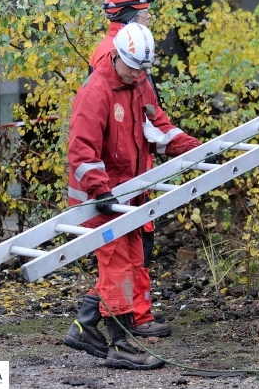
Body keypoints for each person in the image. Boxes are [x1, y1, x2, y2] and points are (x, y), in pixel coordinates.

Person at [64, 22, 202, 369]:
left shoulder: (137, 84)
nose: (138, 74)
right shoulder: (95, 93)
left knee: (129, 265)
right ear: (116, 55)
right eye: (133, 68)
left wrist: (194, 150)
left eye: (143, 70)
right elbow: (82, 151)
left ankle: (83, 327)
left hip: (129, 193)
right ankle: (121, 347)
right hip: (99, 199)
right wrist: (101, 191)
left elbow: (157, 128)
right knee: (117, 270)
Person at [89, 0, 169, 339]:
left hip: (135, 164)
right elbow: (106, 123)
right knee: (122, 257)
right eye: (144, 8)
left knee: (133, 251)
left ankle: (130, 316)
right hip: (118, 174)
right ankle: (119, 324)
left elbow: (149, 109)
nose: (149, 14)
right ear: (128, 12)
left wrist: (170, 138)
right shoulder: (115, 52)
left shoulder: (132, 44)